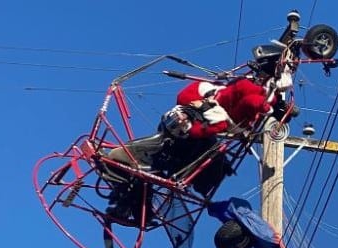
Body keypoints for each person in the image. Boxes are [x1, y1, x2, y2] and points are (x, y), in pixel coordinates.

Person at [102, 77, 273, 223]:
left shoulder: (210, 120)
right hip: (171, 154)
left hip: (187, 158)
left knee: (138, 163)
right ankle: (128, 201)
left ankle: (131, 202)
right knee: (130, 159)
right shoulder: (195, 108)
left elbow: (220, 121)